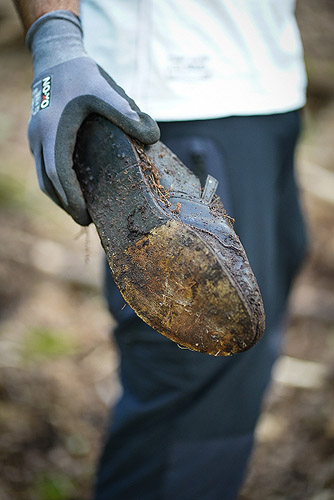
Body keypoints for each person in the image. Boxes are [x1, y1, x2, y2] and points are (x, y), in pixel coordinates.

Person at [13, 1, 307, 499]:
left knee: (241, 363)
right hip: (175, 92)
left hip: (270, 82)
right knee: (195, 376)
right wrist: (54, 38)